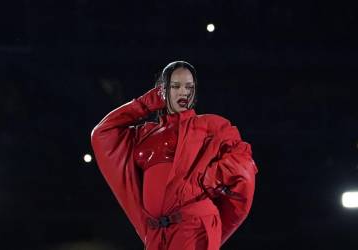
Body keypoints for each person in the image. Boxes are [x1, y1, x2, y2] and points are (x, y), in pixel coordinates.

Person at [91, 61, 258, 250]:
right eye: (175, 86)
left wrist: (206, 180)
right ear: (162, 90)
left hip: (193, 229)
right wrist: (146, 103)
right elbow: (103, 132)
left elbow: (243, 166)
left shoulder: (212, 126)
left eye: (189, 87)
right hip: (156, 233)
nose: (184, 93)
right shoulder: (143, 133)